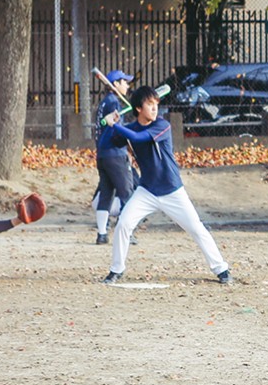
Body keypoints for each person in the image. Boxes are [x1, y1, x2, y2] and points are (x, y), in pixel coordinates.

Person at [100, 84, 232, 284]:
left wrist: (115, 125)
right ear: (138, 108)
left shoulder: (161, 126)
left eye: (156, 104)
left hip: (172, 190)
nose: (154, 109)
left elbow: (138, 138)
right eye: (149, 104)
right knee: (123, 225)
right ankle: (116, 270)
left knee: (196, 228)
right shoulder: (130, 127)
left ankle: (221, 269)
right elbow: (107, 144)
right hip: (147, 190)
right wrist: (110, 125)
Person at [93, 70, 135, 245]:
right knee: (128, 193)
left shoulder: (105, 102)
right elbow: (116, 128)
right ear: (115, 84)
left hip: (103, 154)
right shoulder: (113, 102)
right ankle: (126, 233)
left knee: (106, 193)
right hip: (115, 154)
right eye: (124, 82)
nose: (127, 85)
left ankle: (102, 234)